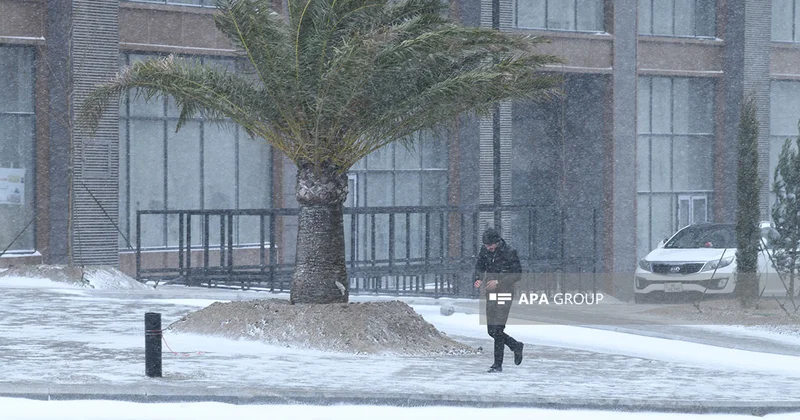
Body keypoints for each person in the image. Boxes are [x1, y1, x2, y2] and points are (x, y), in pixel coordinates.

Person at [473, 227, 524, 373]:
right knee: (491, 330)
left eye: (490, 245)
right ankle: (515, 345)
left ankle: (497, 364)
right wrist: (478, 279)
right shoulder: (484, 251)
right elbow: (479, 266)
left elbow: (517, 274)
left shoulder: (509, 252)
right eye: (486, 245)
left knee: (498, 328)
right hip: (490, 293)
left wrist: (498, 282)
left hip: (504, 293)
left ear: (497, 242)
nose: (488, 248)